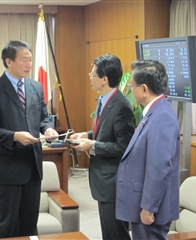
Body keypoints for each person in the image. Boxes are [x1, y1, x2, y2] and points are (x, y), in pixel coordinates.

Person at [0, 40, 58, 238]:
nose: (29, 64)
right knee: (8, 224)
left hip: (32, 166)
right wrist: (15, 136)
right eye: (24, 60)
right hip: (8, 168)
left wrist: (48, 130)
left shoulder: (35, 87)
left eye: (31, 60)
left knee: (30, 222)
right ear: (8, 61)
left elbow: (43, 118)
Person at [70, 54, 135, 240]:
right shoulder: (103, 100)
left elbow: (123, 147)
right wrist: (87, 135)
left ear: (104, 79)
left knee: (116, 233)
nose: (90, 78)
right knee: (108, 232)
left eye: (92, 75)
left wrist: (93, 145)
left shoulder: (122, 106)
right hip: (102, 179)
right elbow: (105, 132)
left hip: (113, 181)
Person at [116, 59, 180, 240]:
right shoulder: (154, 112)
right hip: (141, 201)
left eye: (132, 85)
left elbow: (159, 167)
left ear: (144, 89)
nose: (130, 89)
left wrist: (149, 207)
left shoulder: (162, 117)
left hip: (150, 209)